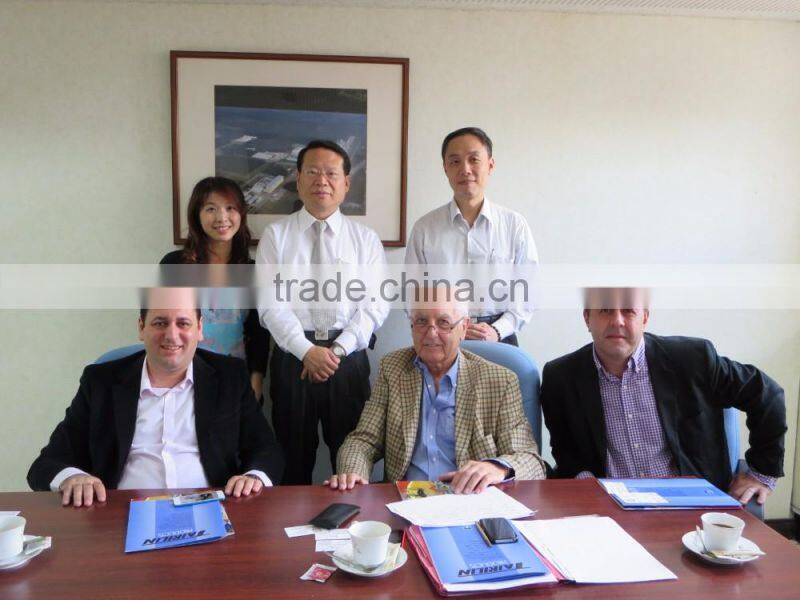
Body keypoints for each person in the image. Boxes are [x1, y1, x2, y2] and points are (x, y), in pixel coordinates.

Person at [27, 287, 284, 507]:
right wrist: (72, 478)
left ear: (199, 329)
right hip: (121, 514)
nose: (171, 335)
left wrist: (253, 477)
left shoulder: (230, 377)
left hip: (211, 509)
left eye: (183, 323)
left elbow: (266, 449)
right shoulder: (101, 382)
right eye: (160, 323)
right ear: (141, 327)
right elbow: (48, 462)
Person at [540, 287, 786, 505]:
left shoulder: (693, 359)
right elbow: (565, 450)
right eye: (605, 310)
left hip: (692, 504)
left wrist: (761, 474)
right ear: (587, 318)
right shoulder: (560, 377)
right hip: (610, 509)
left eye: (628, 311)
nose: (617, 321)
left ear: (645, 317)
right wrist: (588, 486)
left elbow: (766, 393)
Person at [256, 140, 388, 485]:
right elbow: (270, 304)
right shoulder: (276, 236)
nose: (322, 181)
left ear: (346, 183)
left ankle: (351, 520)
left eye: (331, 173)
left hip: (348, 358)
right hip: (292, 358)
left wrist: (336, 351)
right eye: (312, 172)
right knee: (292, 461)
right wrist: (307, 351)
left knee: (352, 461)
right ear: (298, 180)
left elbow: (375, 304)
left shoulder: (365, 239)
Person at [326, 286, 546, 494]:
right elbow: (363, 440)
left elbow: (531, 461)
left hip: (468, 500)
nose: (431, 333)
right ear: (412, 327)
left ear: (463, 327)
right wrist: (353, 473)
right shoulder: (393, 369)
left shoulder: (499, 381)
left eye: (443, 323)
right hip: (406, 499)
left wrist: (499, 467)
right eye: (422, 321)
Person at [405, 127, 538, 346]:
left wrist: (497, 330)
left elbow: (528, 293)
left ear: (490, 165)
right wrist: (446, 327)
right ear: (445, 168)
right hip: (441, 336)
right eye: (455, 161)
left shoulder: (514, 225)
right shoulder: (424, 228)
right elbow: (411, 293)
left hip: (499, 336)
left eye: (473, 159)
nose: (465, 169)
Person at [160, 176, 270, 402]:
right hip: (182, 382)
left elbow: (259, 333)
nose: (222, 217)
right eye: (211, 209)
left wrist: (256, 382)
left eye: (230, 208)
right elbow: (160, 326)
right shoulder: (174, 265)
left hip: (235, 381)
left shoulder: (252, 270)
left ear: (241, 214)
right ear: (197, 215)